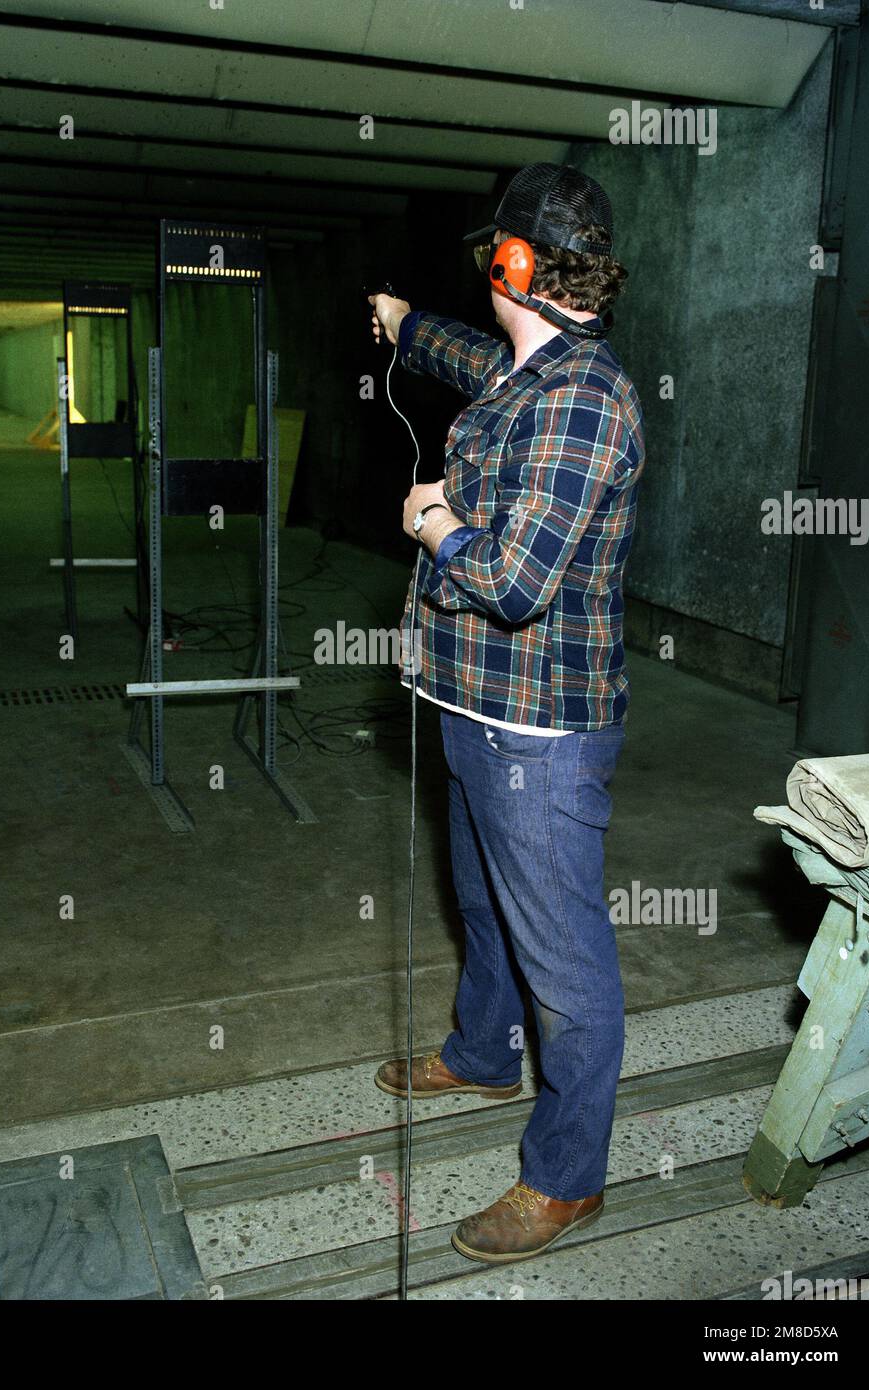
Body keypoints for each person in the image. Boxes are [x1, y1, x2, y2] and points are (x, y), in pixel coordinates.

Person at [369, 163, 645, 1264]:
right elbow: (466, 355)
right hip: (469, 696)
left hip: (537, 724)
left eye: (496, 252)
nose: (489, 266)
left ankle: (567, 1177)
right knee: (480, 899)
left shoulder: (583, 400)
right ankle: (483, 1051)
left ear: (516, 264)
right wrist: (401, 324)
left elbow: (516, 578)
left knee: (564, 962)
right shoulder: (527, 366)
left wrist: (431, 521)